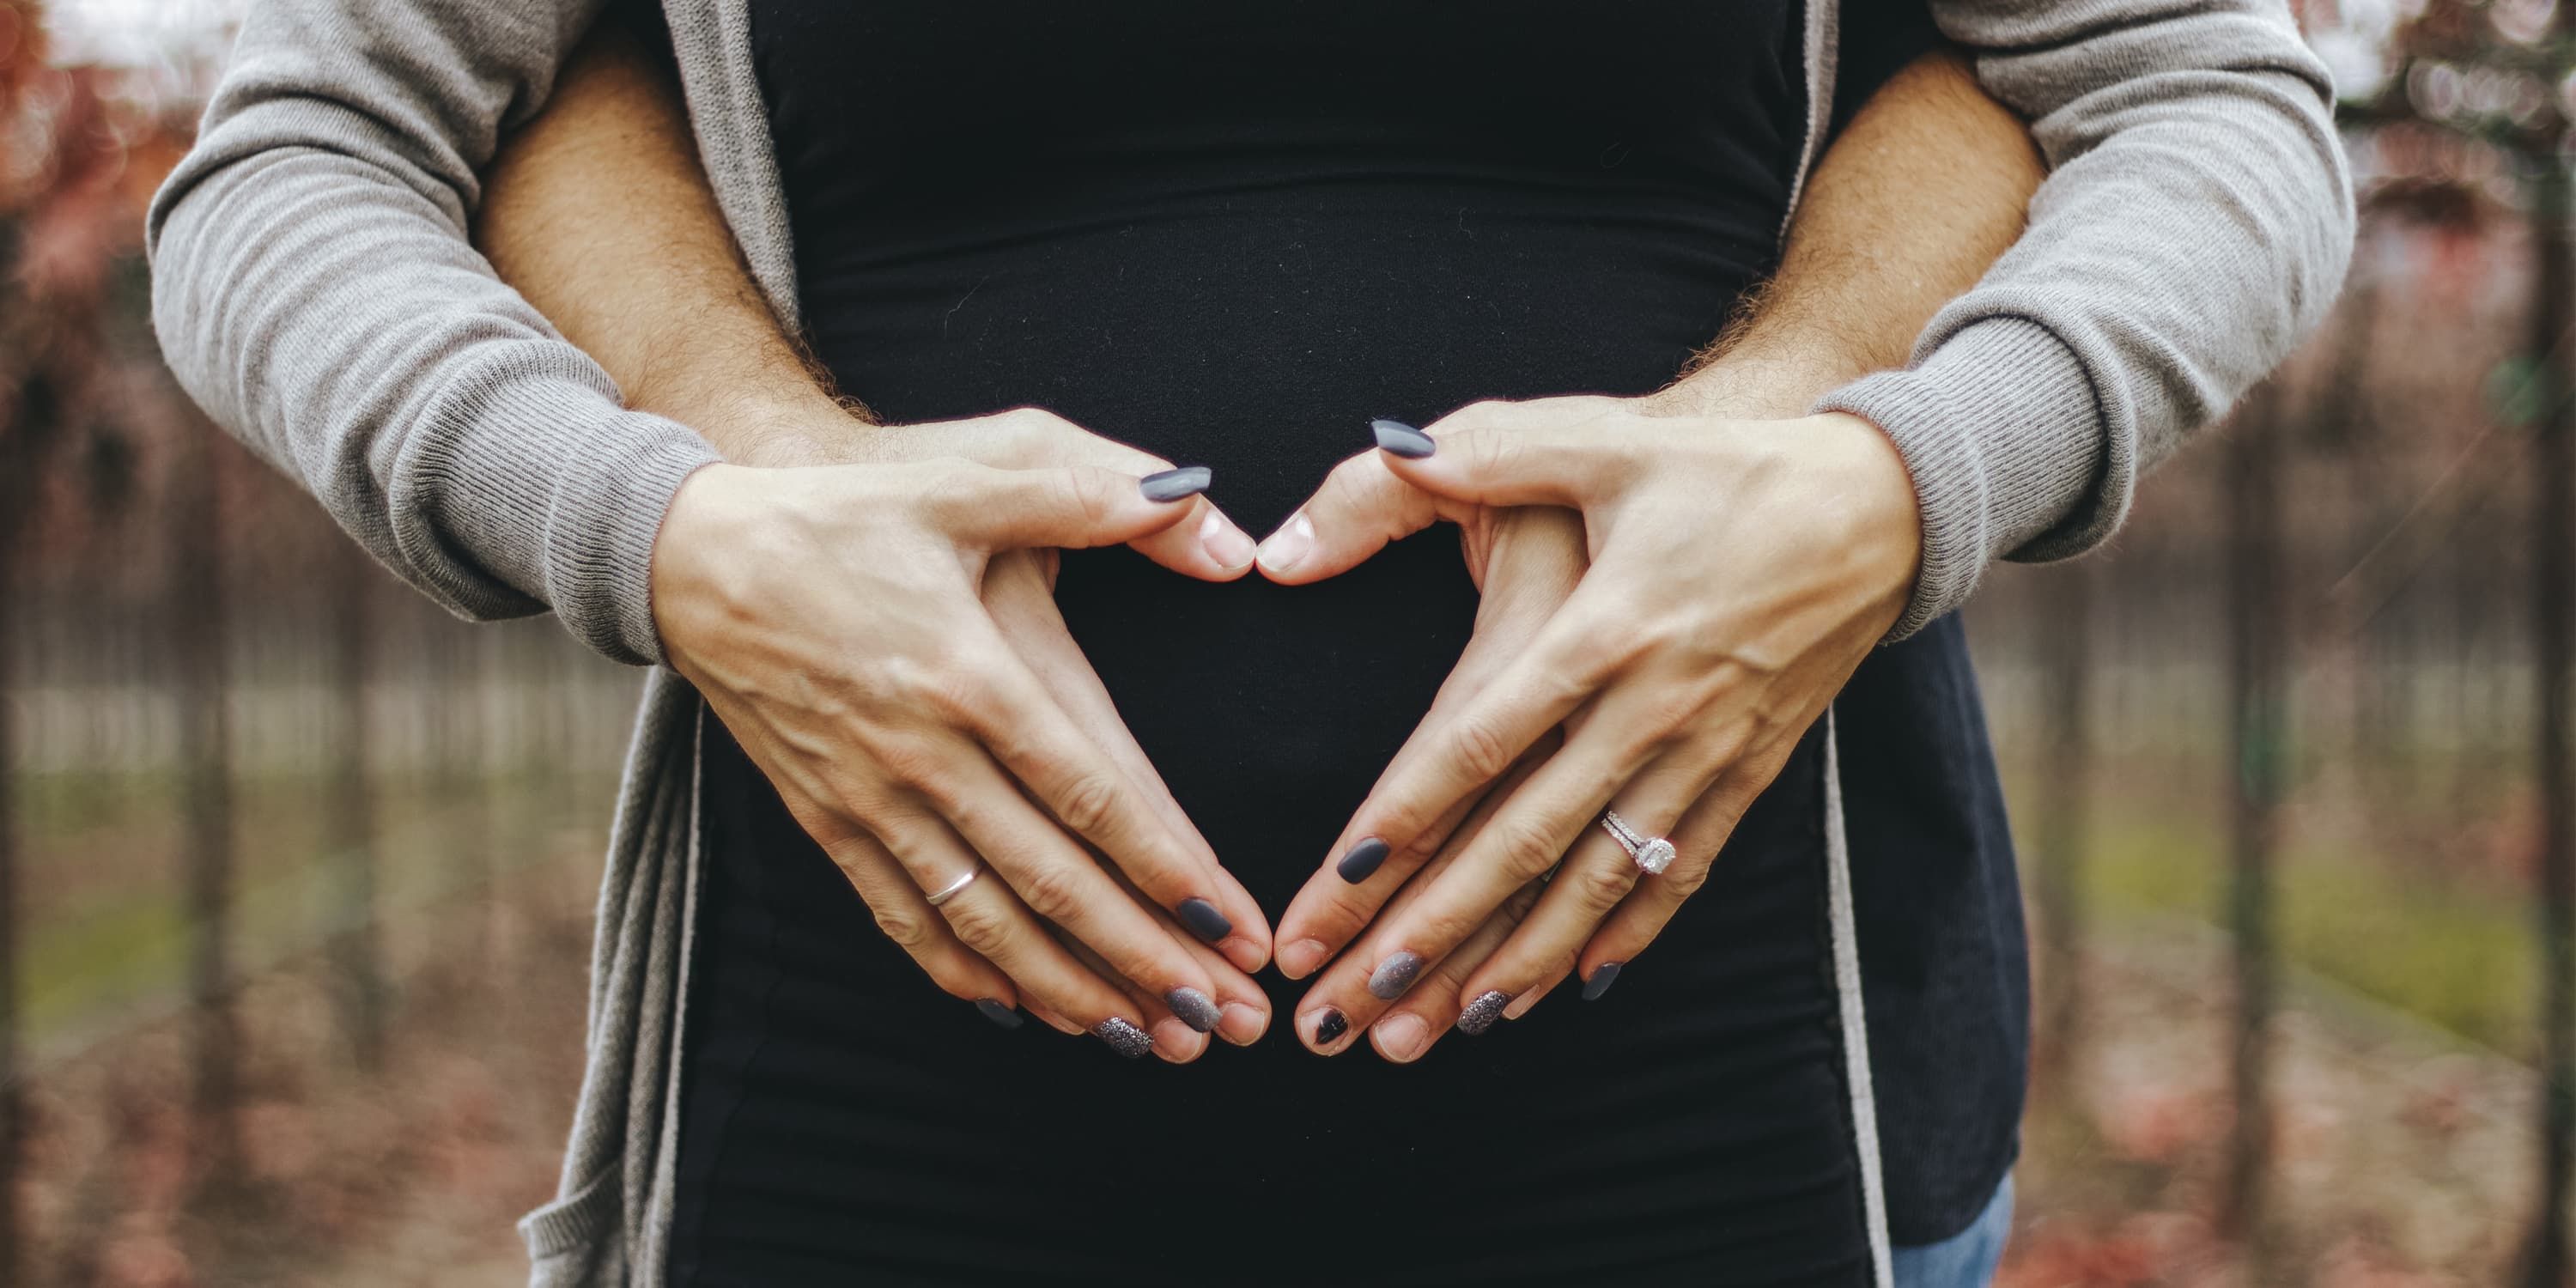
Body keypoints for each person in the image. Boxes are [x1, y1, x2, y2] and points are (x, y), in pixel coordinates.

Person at [148, 2, 2352, 1285]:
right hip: (858, 1137)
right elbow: (302, 161)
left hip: (1745, 1130)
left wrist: (1892, 475)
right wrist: (680, 529)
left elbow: (2196, 90)